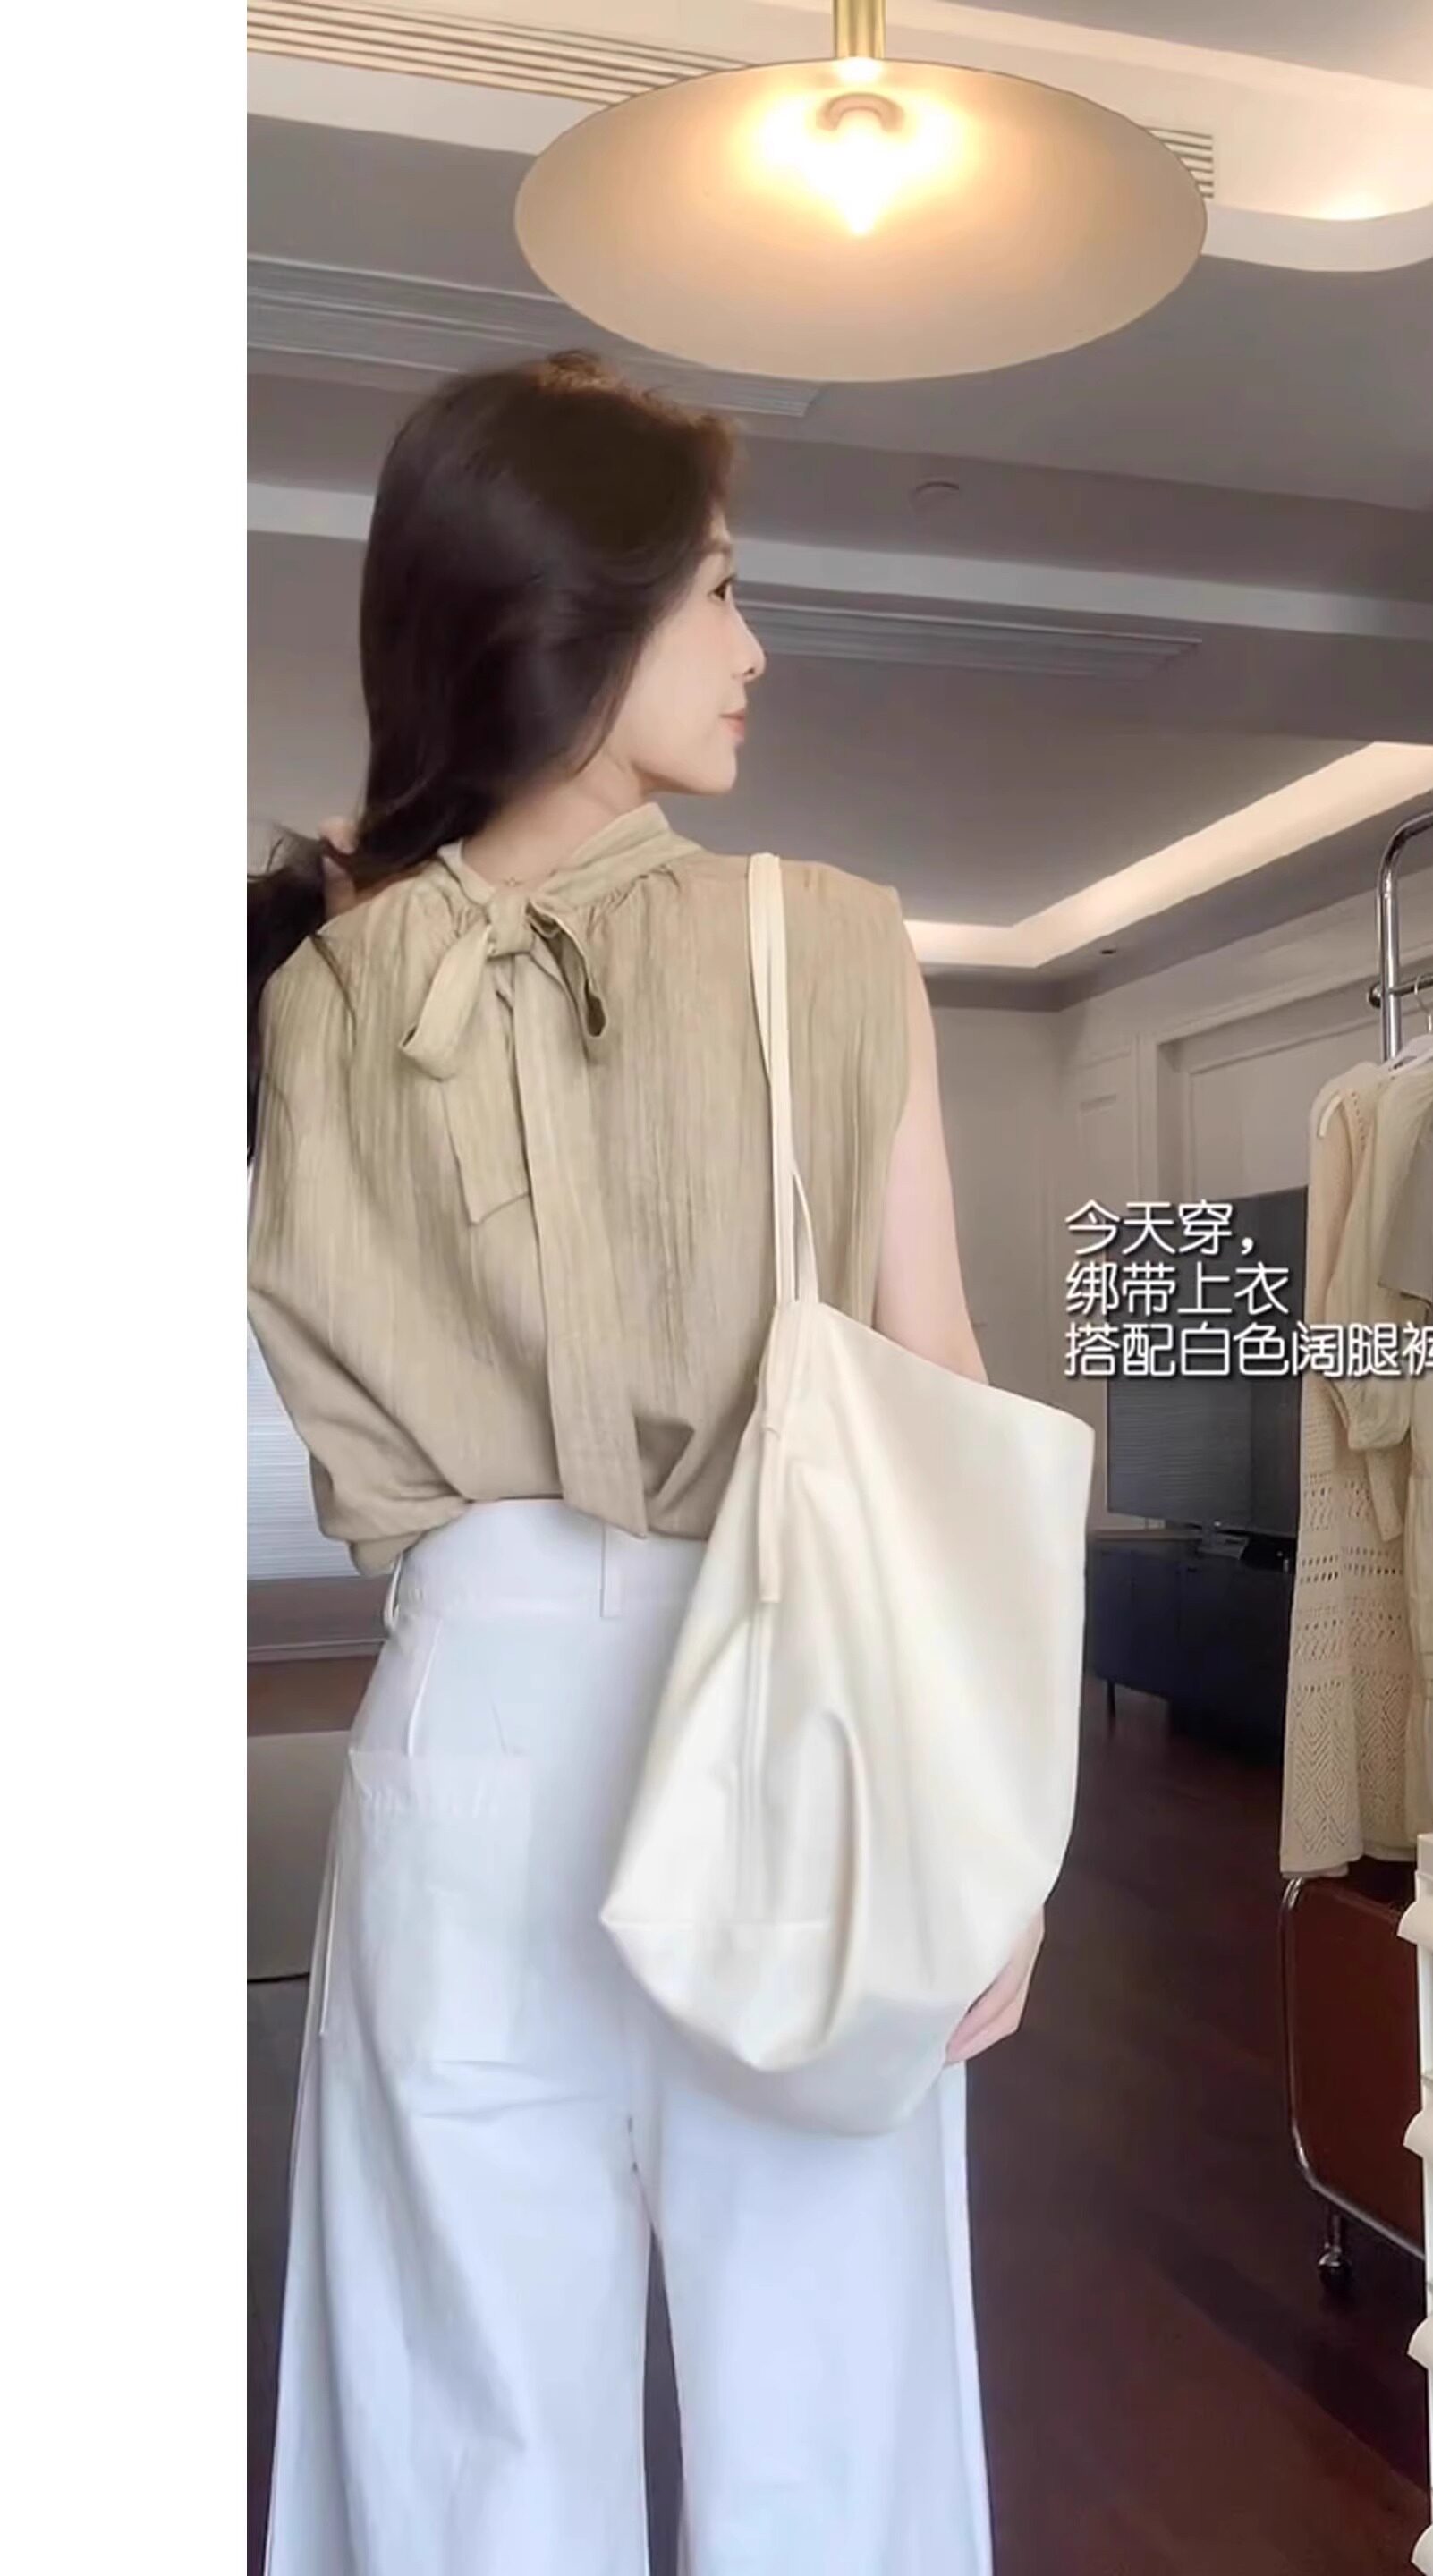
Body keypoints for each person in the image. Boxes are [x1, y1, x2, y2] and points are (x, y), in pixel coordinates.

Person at [247, 351, 1044, 2576]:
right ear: (569, 617)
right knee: (837, 2382)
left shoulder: (317, 990)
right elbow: (937, 1386)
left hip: (474, 1722)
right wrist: (995, 1831)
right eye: (716, 590)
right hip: (800, 1690)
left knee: (464, 2408)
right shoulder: (836, 939)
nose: (756, 644)